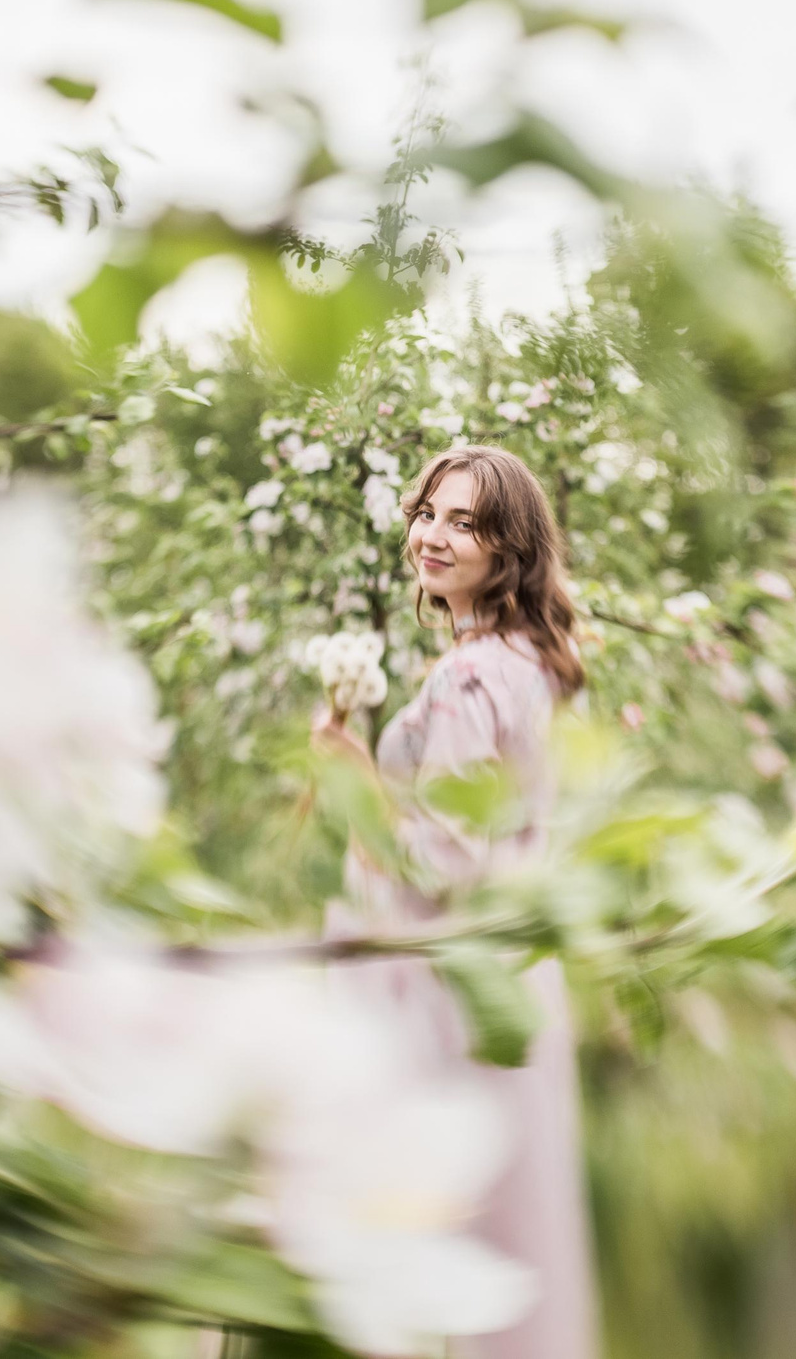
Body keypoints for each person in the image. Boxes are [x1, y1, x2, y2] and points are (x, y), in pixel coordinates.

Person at [311, 443, 600, 1359]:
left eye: (465, 522)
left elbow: (441, 859)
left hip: (441, 982)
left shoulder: (471, 679)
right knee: (504, 1242)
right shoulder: (531, 662)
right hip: (510, 971)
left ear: (507, 547)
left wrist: (355, 778)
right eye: (429, 513)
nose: (433, 536)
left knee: (384, 1230)